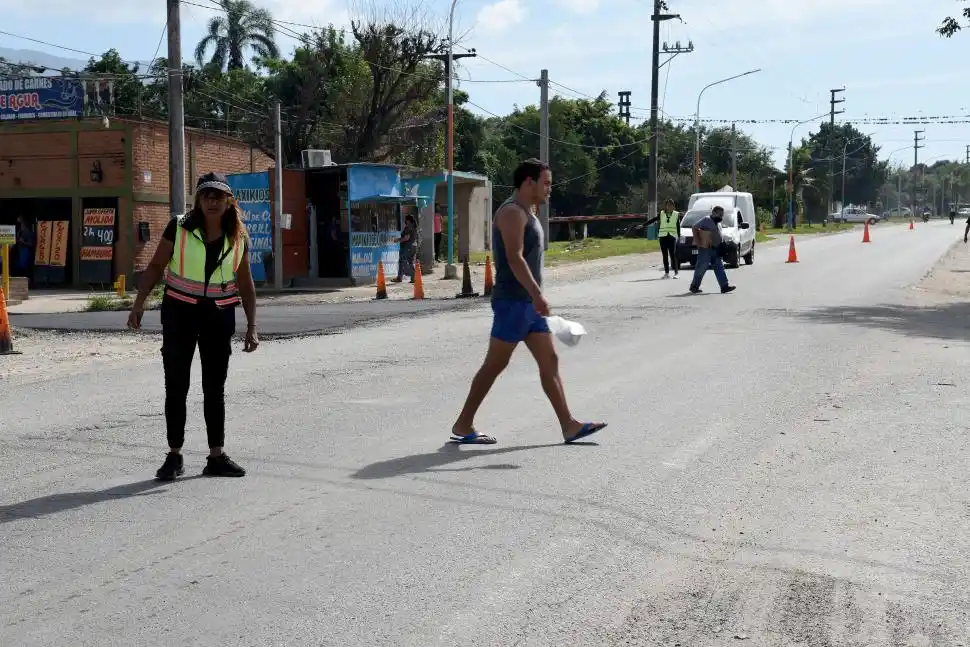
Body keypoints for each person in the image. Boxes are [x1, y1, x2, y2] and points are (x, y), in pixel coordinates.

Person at [451, 158, 607, 445]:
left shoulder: (528, 213)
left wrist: (534, 297)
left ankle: (569, 425)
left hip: (527, 305)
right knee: (494, 365)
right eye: (545, 183)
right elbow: (514, 256)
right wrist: (536, 293)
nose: (549, 189)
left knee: (550, 361)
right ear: (528, 182)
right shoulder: (512, 213)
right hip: (513, 302)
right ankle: (463, 424)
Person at [127, 172, 259, 481]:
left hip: (219, 316)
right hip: (179, 313)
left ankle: (216, 456)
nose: (212, 201)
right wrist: (138, 304)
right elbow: (157, 266)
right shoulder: (180, 227)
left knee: (215, 387)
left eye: (218, 196)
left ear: (229, 201)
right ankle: (174, 455)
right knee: (176, 385)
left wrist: (252, 325)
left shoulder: (238, 236)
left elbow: (245, 282)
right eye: (206, 196)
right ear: (198, 201)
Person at [689, 205, 736, 295]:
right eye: (719, 214)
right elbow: (694, 227)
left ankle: (724, 286)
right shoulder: (706, 220)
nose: (721, 217)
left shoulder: (718, 223)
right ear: (713, 213)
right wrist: (698, 242)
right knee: (701, 268)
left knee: (719, 267)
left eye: (722, 215)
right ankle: (694, 286)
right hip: (706, 249)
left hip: (716, 249)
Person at [656, 198, 680, 278]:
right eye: (667, 205)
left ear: (673, 206)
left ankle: (676, 273)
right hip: (663, 237)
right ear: (665, 206)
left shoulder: (676, 214)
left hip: (672, 236)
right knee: (665, 255)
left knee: (673, 255)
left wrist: (679, 236)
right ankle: (667, 273)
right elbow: (654, 220)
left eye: (671, 205)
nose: (669, 207)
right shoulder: (662, 213)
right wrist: (643, 225)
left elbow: (678, 226)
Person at [394, 214, 418, 283]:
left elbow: (406, 238)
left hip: (407, 247)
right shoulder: (414, 227)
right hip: (413, 247)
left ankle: (413, 277)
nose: (405, 221)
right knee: (406, 262)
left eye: (406, 220)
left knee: (405, 262)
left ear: (408, 220)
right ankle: (401, 277)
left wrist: (398, 240)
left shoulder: (409, 227)